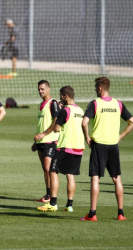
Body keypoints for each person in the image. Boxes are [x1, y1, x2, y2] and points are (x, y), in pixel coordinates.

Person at [81, 77, 133, 221]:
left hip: (99, 145)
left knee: (95, 179)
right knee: (117, 179)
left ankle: (92, 213)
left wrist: (87, 137)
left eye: (95, 87)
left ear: (100, 88)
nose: (95, 89)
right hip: (113, 145)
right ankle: (121, 213)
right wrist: (120, 137)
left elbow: (84, 122)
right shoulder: (118, 104)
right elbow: (132, 122)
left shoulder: (95, 104)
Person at [38, 86, 84, 212]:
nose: (60, 98)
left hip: (66, 146)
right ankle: (69, 205)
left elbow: (57, 128)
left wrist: (61, 113)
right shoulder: (80, 110)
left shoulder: (65, 110)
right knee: (70, 175)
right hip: (79, 146)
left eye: (61, 96)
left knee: (53, 172)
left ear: (65, 96)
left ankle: (53, 203)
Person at [31, 80, 60, 203]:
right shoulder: (40, 104)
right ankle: (47, 194)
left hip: (50, 141)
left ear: (49, 89)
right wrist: (36, 142)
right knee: (45, 170)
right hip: (41, 142)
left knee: (49, 169)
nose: (40, 91)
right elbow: (41, 124)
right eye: (39, 89)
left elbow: (56, 121)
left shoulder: (53, 103)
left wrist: (43, 134)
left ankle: (51, 197)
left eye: (42, 89)